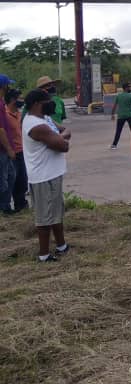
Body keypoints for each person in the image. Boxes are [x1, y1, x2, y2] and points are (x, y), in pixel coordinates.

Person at [22, 88, 71, 262]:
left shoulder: (45, 118)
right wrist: (60, 138)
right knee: (44, 218)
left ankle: (61, 246)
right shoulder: (35, 125)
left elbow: (65, 131)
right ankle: (44, 255)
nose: (51, 104)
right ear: (36, 104)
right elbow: (64, 146)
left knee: (56, 212)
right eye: (47, 102)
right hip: (43, 177)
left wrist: (58, 137)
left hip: (53, 174)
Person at [2, 88, 26, 214]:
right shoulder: (5, 114)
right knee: (11, 180)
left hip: (22, 150)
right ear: (12, 99)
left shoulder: (19, 114)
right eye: (19, 98)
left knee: (22, 180)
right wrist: (9, 150)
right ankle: (6, 207)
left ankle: (21, 205)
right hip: (12, 152)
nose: (21, 100)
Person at [110, 84, 131, 149]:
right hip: (130, 115)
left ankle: (114, 145)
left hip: (121, 116)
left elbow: (114, 106)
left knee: (118, 130)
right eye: (129, 87)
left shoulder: (119, 96)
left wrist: (112, 114)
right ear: (126, 88)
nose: (130, 88)